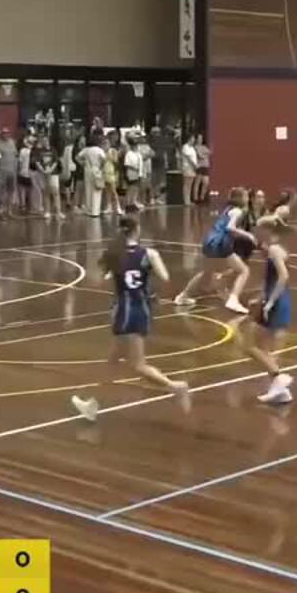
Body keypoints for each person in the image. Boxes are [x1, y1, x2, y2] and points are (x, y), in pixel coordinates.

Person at [70, 214, 191, 420]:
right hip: (140, 308)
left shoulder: (114, 254)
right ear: (137, 230)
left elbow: (101, 279)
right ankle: (92, 404)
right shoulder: (149, 253)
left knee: (137, 365)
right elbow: (165, 277)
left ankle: (175, 386)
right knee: (113, 360)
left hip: (125, 311)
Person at [173, 187, 255, 313]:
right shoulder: (238, 211)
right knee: (244, 270)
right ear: (239, 198)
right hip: (220, 243)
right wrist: (248, 235)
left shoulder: (227, 209)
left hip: (209, 241)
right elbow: (230, 228)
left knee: (206, 273)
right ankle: (233, 300)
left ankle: (183, 296)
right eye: (246, 196)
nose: (247, 199)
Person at [243, 215, 295, 404]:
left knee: (250, 345)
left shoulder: (273, 249)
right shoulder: (275, 249)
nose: (256, 232)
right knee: (262, 347)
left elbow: (283, 276)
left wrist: (270, 302)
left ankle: (278, 376)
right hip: (276, 298)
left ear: (267, 230)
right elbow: (272, 279)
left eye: (258, 229)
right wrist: (261, 296)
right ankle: (280, 392)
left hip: (276, 301)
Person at [180, 133, 199, 205]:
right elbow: (188, 158)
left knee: (190, 184)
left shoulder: (192, 148)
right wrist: (194, 165)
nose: (194, 140)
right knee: (186, 184)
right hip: (188, 167)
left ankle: (189, 200)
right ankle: (186, 201)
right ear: (189, 139)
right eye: (193, 138)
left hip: (193, 168)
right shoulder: (185, 147)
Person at [194, 133, 212, 203]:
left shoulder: (204, 147)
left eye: (201, 138)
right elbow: (200, 155)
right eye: (199, 138)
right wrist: (205, 154)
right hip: (200, 166)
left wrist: (205, 154)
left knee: (206, 182)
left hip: (206, 166)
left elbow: (210, 153)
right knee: (197, 182)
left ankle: (202, 197)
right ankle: (195, 198)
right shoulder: (195, 147)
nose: (200, 140)